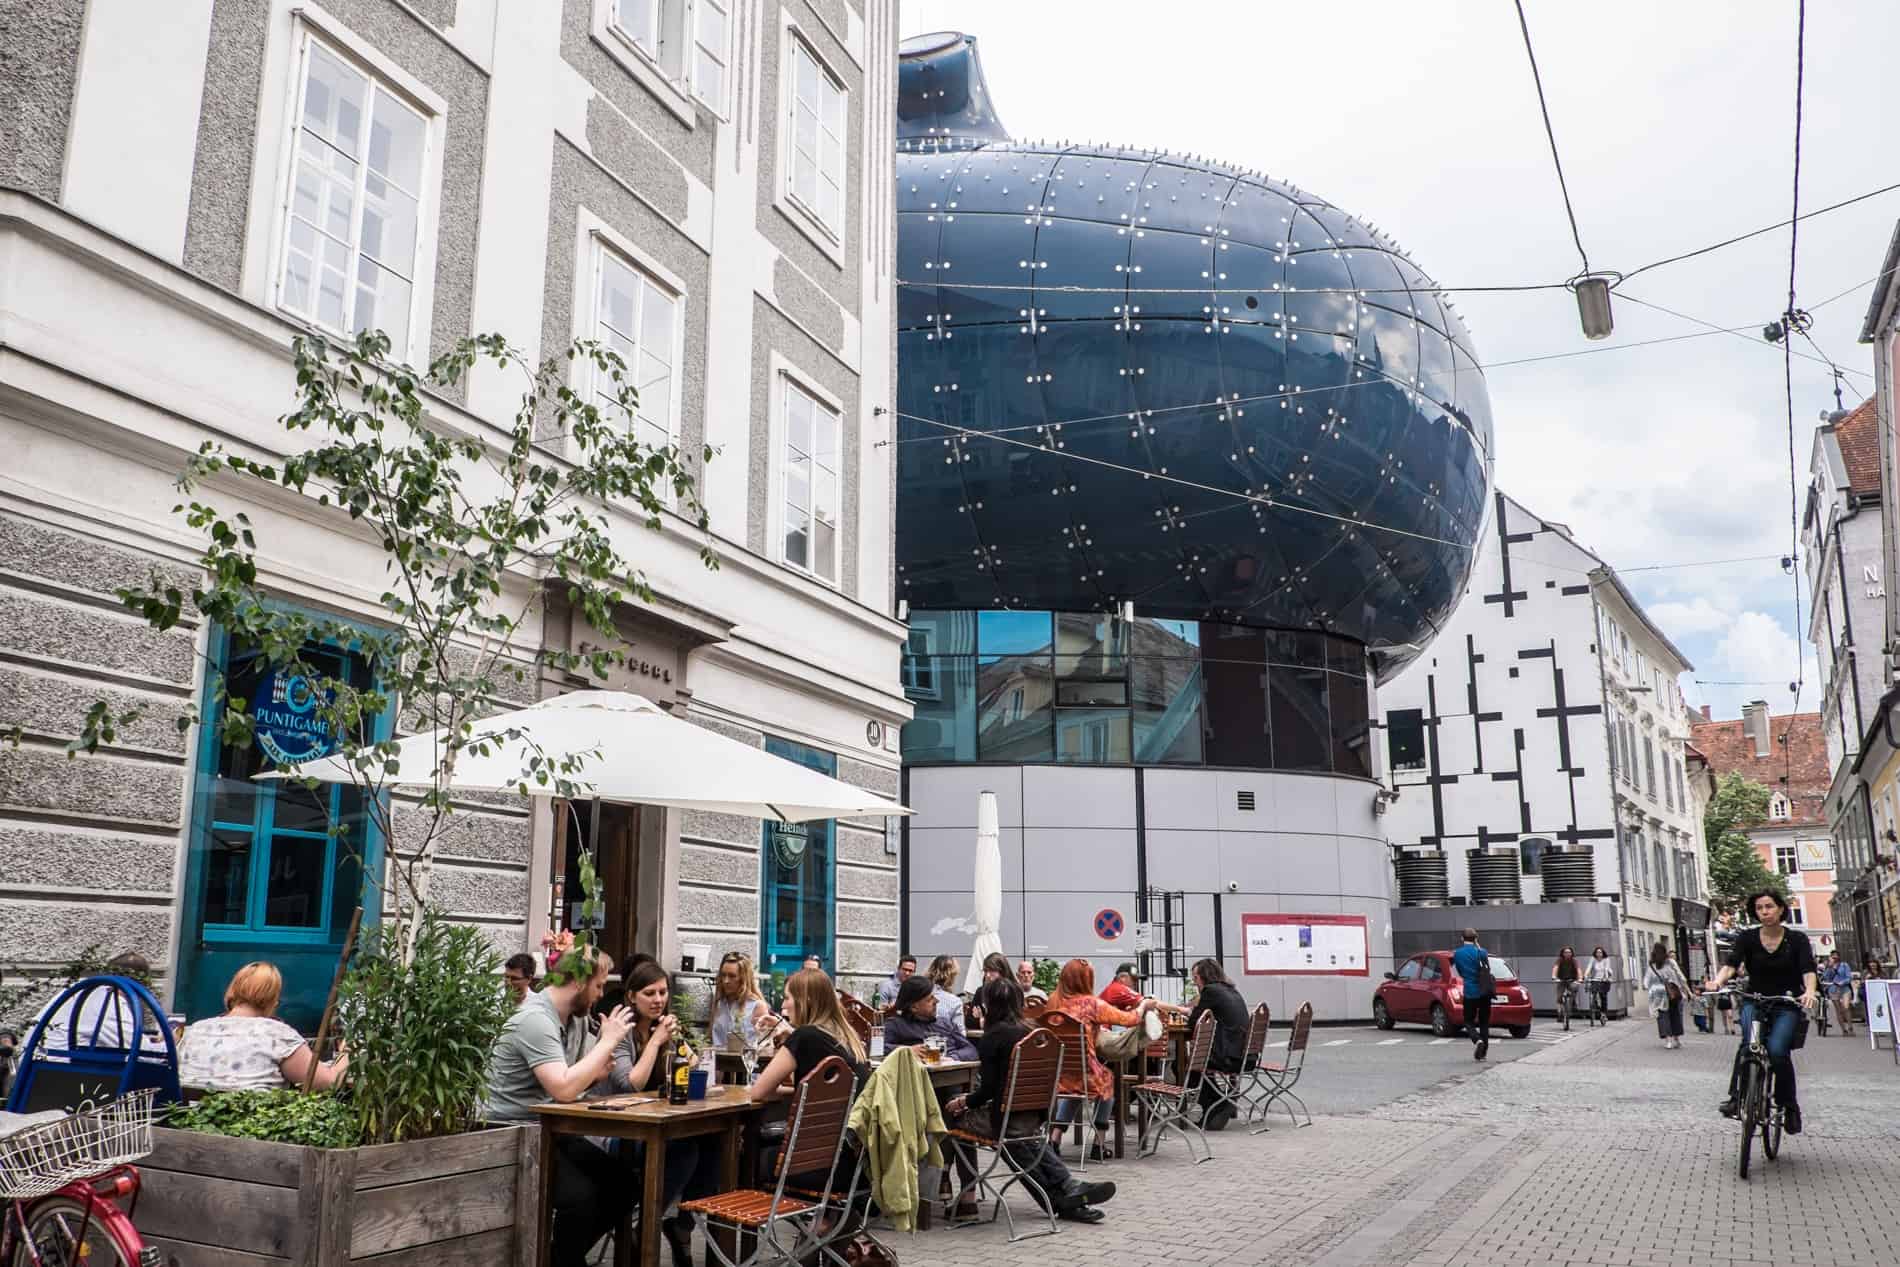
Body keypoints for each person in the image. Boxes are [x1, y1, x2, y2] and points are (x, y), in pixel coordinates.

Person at [483, 947, 634, 1267]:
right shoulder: (535, 1019)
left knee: (624, 1184)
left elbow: (569, 1082)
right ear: (579, 982)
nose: (601, 994)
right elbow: (564, 1089)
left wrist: (595, 1077)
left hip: (551, 1127)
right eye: (598, 986)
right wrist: (608, 1041)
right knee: (581, 1197)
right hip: (510, 1132)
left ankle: (558, 1257)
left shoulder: (575, 1019)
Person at [944, 979, 1117, 1224]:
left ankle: (963, 1197)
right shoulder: (1032, 1032)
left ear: (989, 1005)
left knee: (953, 1116)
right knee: (1021, 1142)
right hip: (1033, 1115)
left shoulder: (994, 1037)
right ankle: (1066, 1195)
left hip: (1004, 1119)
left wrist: (964, 1101)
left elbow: (989, 1089)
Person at [609, 962, 720, 1267]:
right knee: (685, 1151)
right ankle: (645, 1224)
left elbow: (692, 1065)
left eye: (662, 992)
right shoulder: (621, 1032)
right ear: (632, 996)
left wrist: (678, 1043)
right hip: (620, 1133)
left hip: (657, 1126)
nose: (658, 999)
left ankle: (682, 1226)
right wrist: (656, 1042)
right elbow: (630, 1083)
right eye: (649, 993)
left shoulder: (663, 1029)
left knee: (714, 1143)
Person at [1706, 890, 1819, 1135]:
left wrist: (1809, 991)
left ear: (1780, 909)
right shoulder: (1747, 938)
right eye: (1759, 908)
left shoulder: (1796, 940)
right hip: (1754, 1000)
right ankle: (1737, 1097)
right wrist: (1717, 981)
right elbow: (1731, 964)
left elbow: (1808, 969)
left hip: (1785, 1002)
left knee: (1778, 1052)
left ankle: (1788, 1106)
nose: (1764, 912)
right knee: (1749, 1045)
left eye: (1769, 906)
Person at [178, 962, 348, 1091]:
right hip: (250, 1131)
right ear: (273, 1000)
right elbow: (328, 1082)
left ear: (232, 991)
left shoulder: (194, 1031)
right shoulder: (278, 1035)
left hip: (188, 1127)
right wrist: (349, 1050)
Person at [1043, 960, 1152, 1154]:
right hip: (1085, 1072)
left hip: (1056, 1074)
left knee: (1077, 1084)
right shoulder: (1091, 1004)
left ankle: (1054, 1139)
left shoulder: (1053, 1001)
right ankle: (1099, 1144)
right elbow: (1130, 1019)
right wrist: (1144, 1005)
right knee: (1106, 1080)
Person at [35, 952, 158, 1052]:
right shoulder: (111, 1002)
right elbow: (143, 1054)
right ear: (141, 984)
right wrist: (171, 1042)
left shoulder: (81, 989)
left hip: (37, 1067)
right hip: (60, 1072)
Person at [1184, 958, 1249, 1129]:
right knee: (1197, 1064)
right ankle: (1215, 1106)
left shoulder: (1210, 991)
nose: (1195, 982)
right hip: (1244, 1055)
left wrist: (1187, 1013)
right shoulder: (1231, 990)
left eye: (1195, 978)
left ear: (1204, 977)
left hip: (1227, 1056)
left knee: (1187, 1065)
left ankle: (1217, 1103)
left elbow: (1193, 1024)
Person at [884, 976, 978, 1061]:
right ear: (914, 1007)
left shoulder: (945, 1024)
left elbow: (971, 1050)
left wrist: (952, 1058)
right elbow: (879, 1049)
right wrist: (906, 1051)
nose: (937, 1001)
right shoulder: (896, 1025)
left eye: (934, 997)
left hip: (952, 1072)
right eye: (930, 999)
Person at [708, 952, 775, 1050]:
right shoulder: (719, 1003)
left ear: (744, 978)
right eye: (723, 975)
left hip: (746, 1063)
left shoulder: (757, 1006)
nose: (726, 981)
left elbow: (766, 1046)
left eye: (732, 976)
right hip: (718, 1061)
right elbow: (711, 1039)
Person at [1451, 929, 1492, 1060]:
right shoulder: (1482, 952)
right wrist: (1478, 945)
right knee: (1484, 1022)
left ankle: (1477, 1039)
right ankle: (1483, 1053)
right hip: (1484, 991)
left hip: (1470, 992)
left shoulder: (1458, 954)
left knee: (1468, 1020)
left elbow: (1460, 971)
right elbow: (1487, 968)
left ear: (1462, 938)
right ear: (1476, 939)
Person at [1644, 943, 1689, 1049]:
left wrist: (1648, 987)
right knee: (1675, 1015)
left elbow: (1646, 979)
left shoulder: (1652, 965)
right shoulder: (1670, 962)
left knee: (1663, 1017)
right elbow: (1680, 976)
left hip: (1658, 995)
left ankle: (1668, 1041)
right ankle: (1676, 1039)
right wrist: (1686, 990)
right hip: (1672, 993)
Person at [927, 954, 967, 1033]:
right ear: (951, 976)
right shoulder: (955, 1001)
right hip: (944, 1043)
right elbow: (960, 1034)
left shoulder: (919, 993)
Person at [1823, 951, 1855, 1036]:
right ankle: (1844, 1030)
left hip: (1844, 989)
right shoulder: (1829, 966)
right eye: (1833, 956)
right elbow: (1826, 977)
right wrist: (1829, 968)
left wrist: (1843, 982)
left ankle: (1850, 1027)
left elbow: (1849, 977)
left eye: (1836, 956)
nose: (1835, 958)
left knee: (1846, 1007)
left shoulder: (1844, 965)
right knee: (1838, 1010)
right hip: (1833, 989)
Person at [1585, 945, 1615, 1018]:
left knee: (1603, 996)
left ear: (1603, 953)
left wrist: (1606, 978)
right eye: (1597, 952)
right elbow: (1589, 967)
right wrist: (1585, 975)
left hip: (1604, 979)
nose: (1599, 954)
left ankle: (1603, 1013)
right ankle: (1595, 1005)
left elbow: (1606, 968)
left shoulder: (1606, 959)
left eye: (1600, 952)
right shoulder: (1593, 959)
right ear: (1595, 953)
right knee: (1593, 992)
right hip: (1595, 979)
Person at [1551, 946, 1582, 1017]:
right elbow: (1555, 968)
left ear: (1571, 953)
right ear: (1563, 953)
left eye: (1569, 952)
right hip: (1561, 980)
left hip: (1571, 980)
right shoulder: (1559, 960)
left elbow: (1578, 969)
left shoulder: (1574, 961)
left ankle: (1573, 1002)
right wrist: (1554, 976)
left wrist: (1580, 978)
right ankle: (1559, 1012)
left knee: (1574, 988)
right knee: (1559, 996)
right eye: (1566, 952)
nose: (1567, 954)